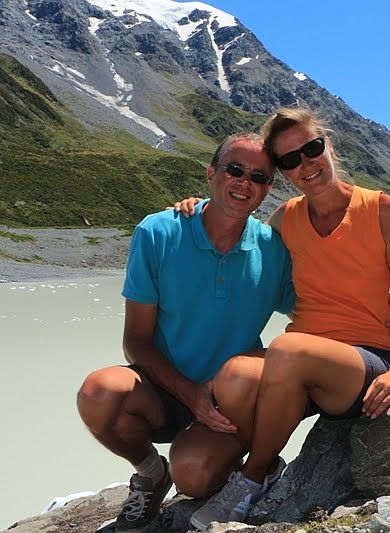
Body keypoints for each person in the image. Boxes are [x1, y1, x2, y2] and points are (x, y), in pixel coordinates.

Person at [176, 106, 390, 529]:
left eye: (311, 149)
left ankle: (250, 479)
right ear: (284, 174)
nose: (306, 164)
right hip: (298, 365)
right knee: (236, 374)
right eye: (290, 160)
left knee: (287, 348)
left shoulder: (382, 210)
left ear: (328, 144)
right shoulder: (287, 218)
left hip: (363, 364)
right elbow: (239, 234)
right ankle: (263, 463)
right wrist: (200, 206)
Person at [76, 132, 296, 533]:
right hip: (164, 386)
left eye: (259, 177)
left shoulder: (275, 250)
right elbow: (136, 340)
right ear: (211, 173)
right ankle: (150, 473)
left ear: (267, 190)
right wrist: (190, 395)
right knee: (99, 393)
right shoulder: (158, 232)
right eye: (234, 169)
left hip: (229, 398)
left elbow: (313, 316)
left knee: (193, 475)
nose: (245, 182)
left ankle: (252, 463)